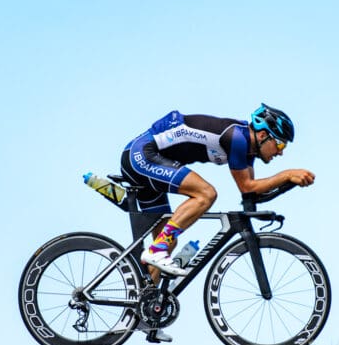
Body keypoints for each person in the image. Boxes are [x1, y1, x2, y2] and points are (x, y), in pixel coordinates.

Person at [120, 103, 315, 279]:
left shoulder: (248, 150)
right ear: (263, 135)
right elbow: (247, 186)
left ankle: (144, 309)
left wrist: (289, 184)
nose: (280, 152)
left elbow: (251, 193)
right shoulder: (238, 138)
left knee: (166, 243)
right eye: (280, 144)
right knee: (206, 194)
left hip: (149, 161)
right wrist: (287, 175)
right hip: (143, 155)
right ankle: (156, 250)